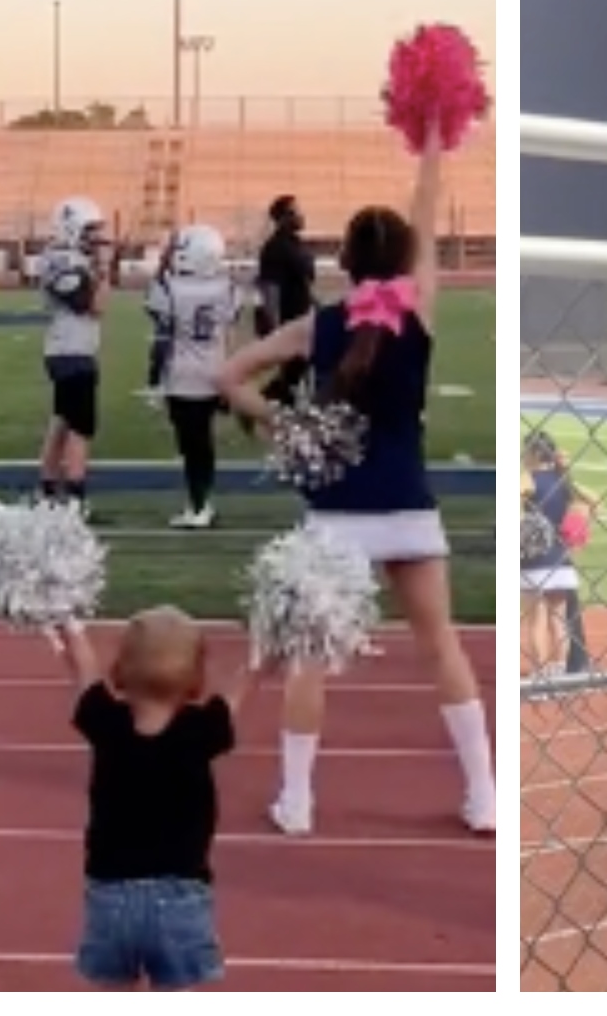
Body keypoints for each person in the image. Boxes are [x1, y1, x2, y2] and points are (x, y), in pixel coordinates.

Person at [218, 129, 495, 837]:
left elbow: (229, 376)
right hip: (408, 506)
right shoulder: (419, 309)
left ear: (341, 261)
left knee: (310, 661)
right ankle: (485, 796)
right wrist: (431, 142)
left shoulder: (319, 326)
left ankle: (298, 801)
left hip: (336, 514)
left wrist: (283, 421)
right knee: (442, 648)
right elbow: (425, 210)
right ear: (405, 260)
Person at [46, 607, 252, 991]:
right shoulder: (202, 730)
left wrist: (68, 622)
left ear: (121, 669)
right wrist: (273, 646)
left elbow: (84, 670)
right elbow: (242, 685)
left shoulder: (105, 721)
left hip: (110, 896)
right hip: (181, 900)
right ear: (195, 677)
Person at [157, 225, 242, 529]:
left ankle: (198, 506)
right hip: (215, 371)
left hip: (182, 375)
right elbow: (230, 333)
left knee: (191, 447)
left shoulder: (170, 287)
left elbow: (161, 329)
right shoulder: (227, 288)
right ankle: (201, 502)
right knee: (203, 444)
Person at [39, 197, 112, 516]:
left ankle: (47, 490)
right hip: (72, 353)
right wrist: (104, 269)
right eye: (90, 230)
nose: (96, 237)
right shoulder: (62, 261)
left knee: (62, 421)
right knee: (81, 428)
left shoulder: (67, 258)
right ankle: (75, 499)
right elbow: (95, 307)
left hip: (67, 350)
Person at [519, 432, 600, 678]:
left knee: (536, 619)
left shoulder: (528, 479)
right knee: (558, 620)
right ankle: (560, 671)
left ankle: (540, 673)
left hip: (534, 560)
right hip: (560, 559)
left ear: (534, 453)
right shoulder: (562, 481)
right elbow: (594, 501)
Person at [253, 194, 317, 413]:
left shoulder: (297, 244)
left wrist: (315, 306)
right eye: (295, 212)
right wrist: (276, 329)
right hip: (288, 321)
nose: (301, 215)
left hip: (303, 318)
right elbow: (270, 290)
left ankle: (271, 406)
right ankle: (259, 404)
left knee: (296, 374)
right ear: (282, 218)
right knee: (294, 373)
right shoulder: (275, 248)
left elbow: (303, 284)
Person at [140, 232, 180, 407]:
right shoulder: (162, 275)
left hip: (183, 322)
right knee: (159, 355)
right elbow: (149, 304)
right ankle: (155, 390)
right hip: (166, 321)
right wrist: (161, 318)